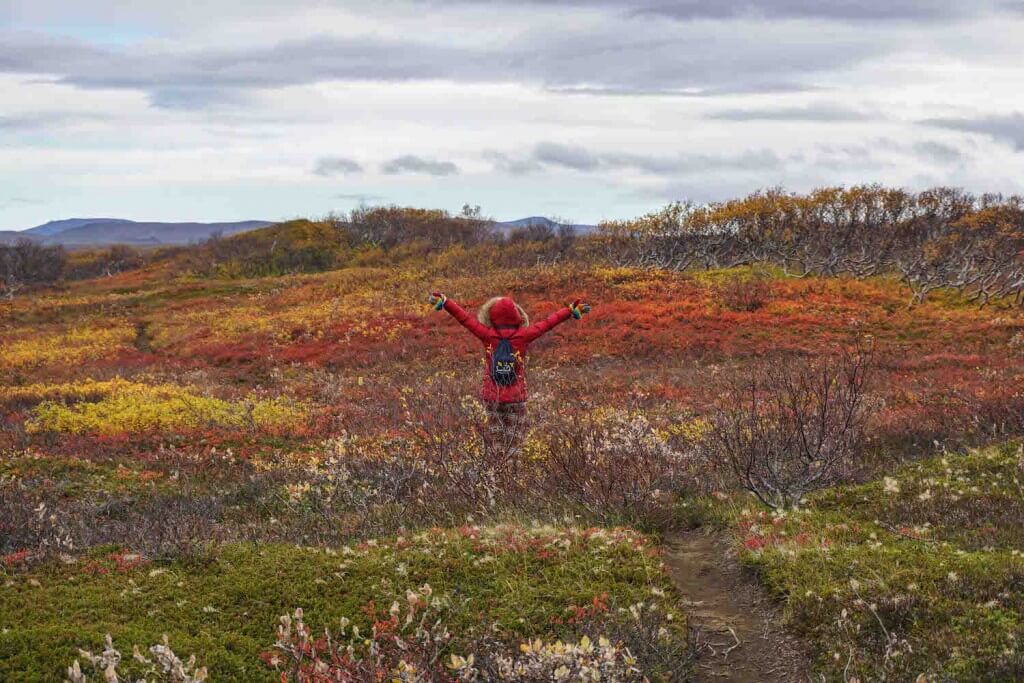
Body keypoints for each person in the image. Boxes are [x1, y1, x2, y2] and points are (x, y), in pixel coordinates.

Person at [427, 292, 591, 454]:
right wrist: (569, 311)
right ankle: (512, 474)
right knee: (514, 443)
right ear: (517, 316)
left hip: (493, 397)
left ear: (491, 316)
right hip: (516, 398)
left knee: (495, 440)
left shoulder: (487, 335)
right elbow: (548, 323)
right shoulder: (524, 335)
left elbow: (465, 319)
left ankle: (497, 473)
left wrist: (446, 302)